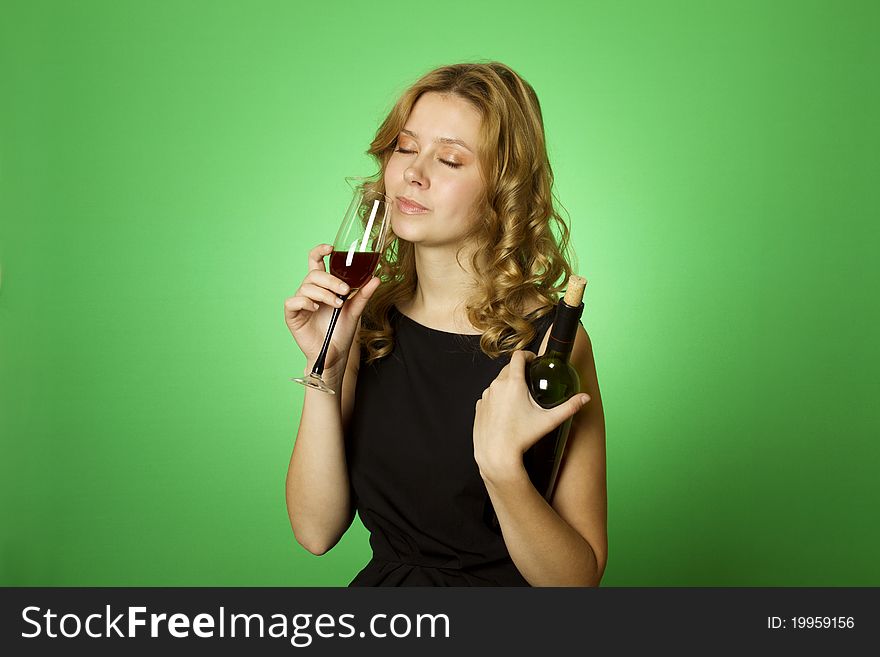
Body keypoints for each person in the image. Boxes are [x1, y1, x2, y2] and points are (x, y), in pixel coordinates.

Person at [284, 62, 606, 586]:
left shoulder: (554, 342)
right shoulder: (370, 323)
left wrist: (502, 469)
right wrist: (327, 367)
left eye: (451, 159)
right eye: (406, 148)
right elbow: (315, 532)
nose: (415, 172)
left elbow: (576, 582)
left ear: (505, 190)